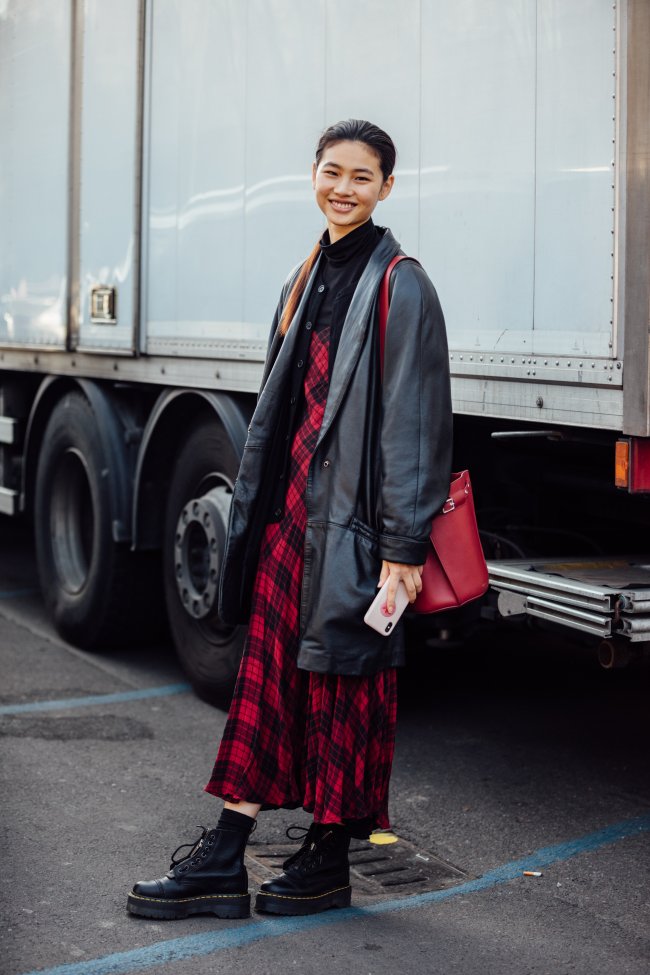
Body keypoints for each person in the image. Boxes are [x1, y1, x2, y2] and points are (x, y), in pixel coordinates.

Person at [127, 119, 452, 921]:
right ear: (313, 174)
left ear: (387, 188)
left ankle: (328, 855)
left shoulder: (401, 283)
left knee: (346, 694)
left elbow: (415, 421)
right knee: (265, 688)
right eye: (332, 171)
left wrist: (405, 545)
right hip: (287, 525)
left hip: (356, 534)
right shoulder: (303, 276)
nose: (345, 188)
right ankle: (226, 854)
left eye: (363, 177)